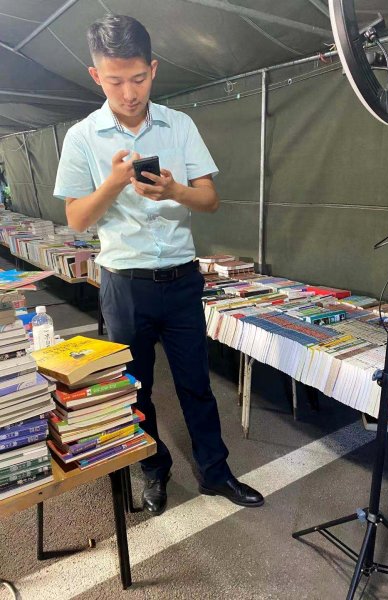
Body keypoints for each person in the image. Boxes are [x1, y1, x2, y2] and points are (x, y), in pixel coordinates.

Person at [54, 14, 263, 515]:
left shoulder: (180, 125)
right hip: (124, 285)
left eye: (138, 78)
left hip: (182, 278)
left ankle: (216, 472)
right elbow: (77, 219)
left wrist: (173, 190)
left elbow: (209, 200)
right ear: (95, 76)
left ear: (154, 69)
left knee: (196, 384)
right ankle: (154, 468)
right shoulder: (82, 136)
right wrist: (113, 183)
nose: (129, 93)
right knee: (136, 388)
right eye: (115, 81)